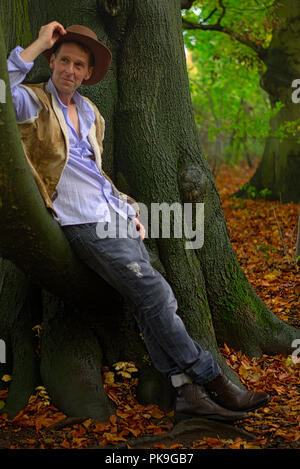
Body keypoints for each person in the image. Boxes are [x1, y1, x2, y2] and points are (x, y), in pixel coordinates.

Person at [7, 21, 271, 422]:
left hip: (114, 219)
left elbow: (96, 175)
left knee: (153, 298)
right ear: (52, 60)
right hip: (81, 224)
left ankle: (185, 395)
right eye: (64, 61)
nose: (71, 71)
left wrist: (129, 208)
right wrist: (38, 42)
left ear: (88, 73)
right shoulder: (34, 102)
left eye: (80, 65)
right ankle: (211, 377)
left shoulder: (93, 114)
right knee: (155, 293)